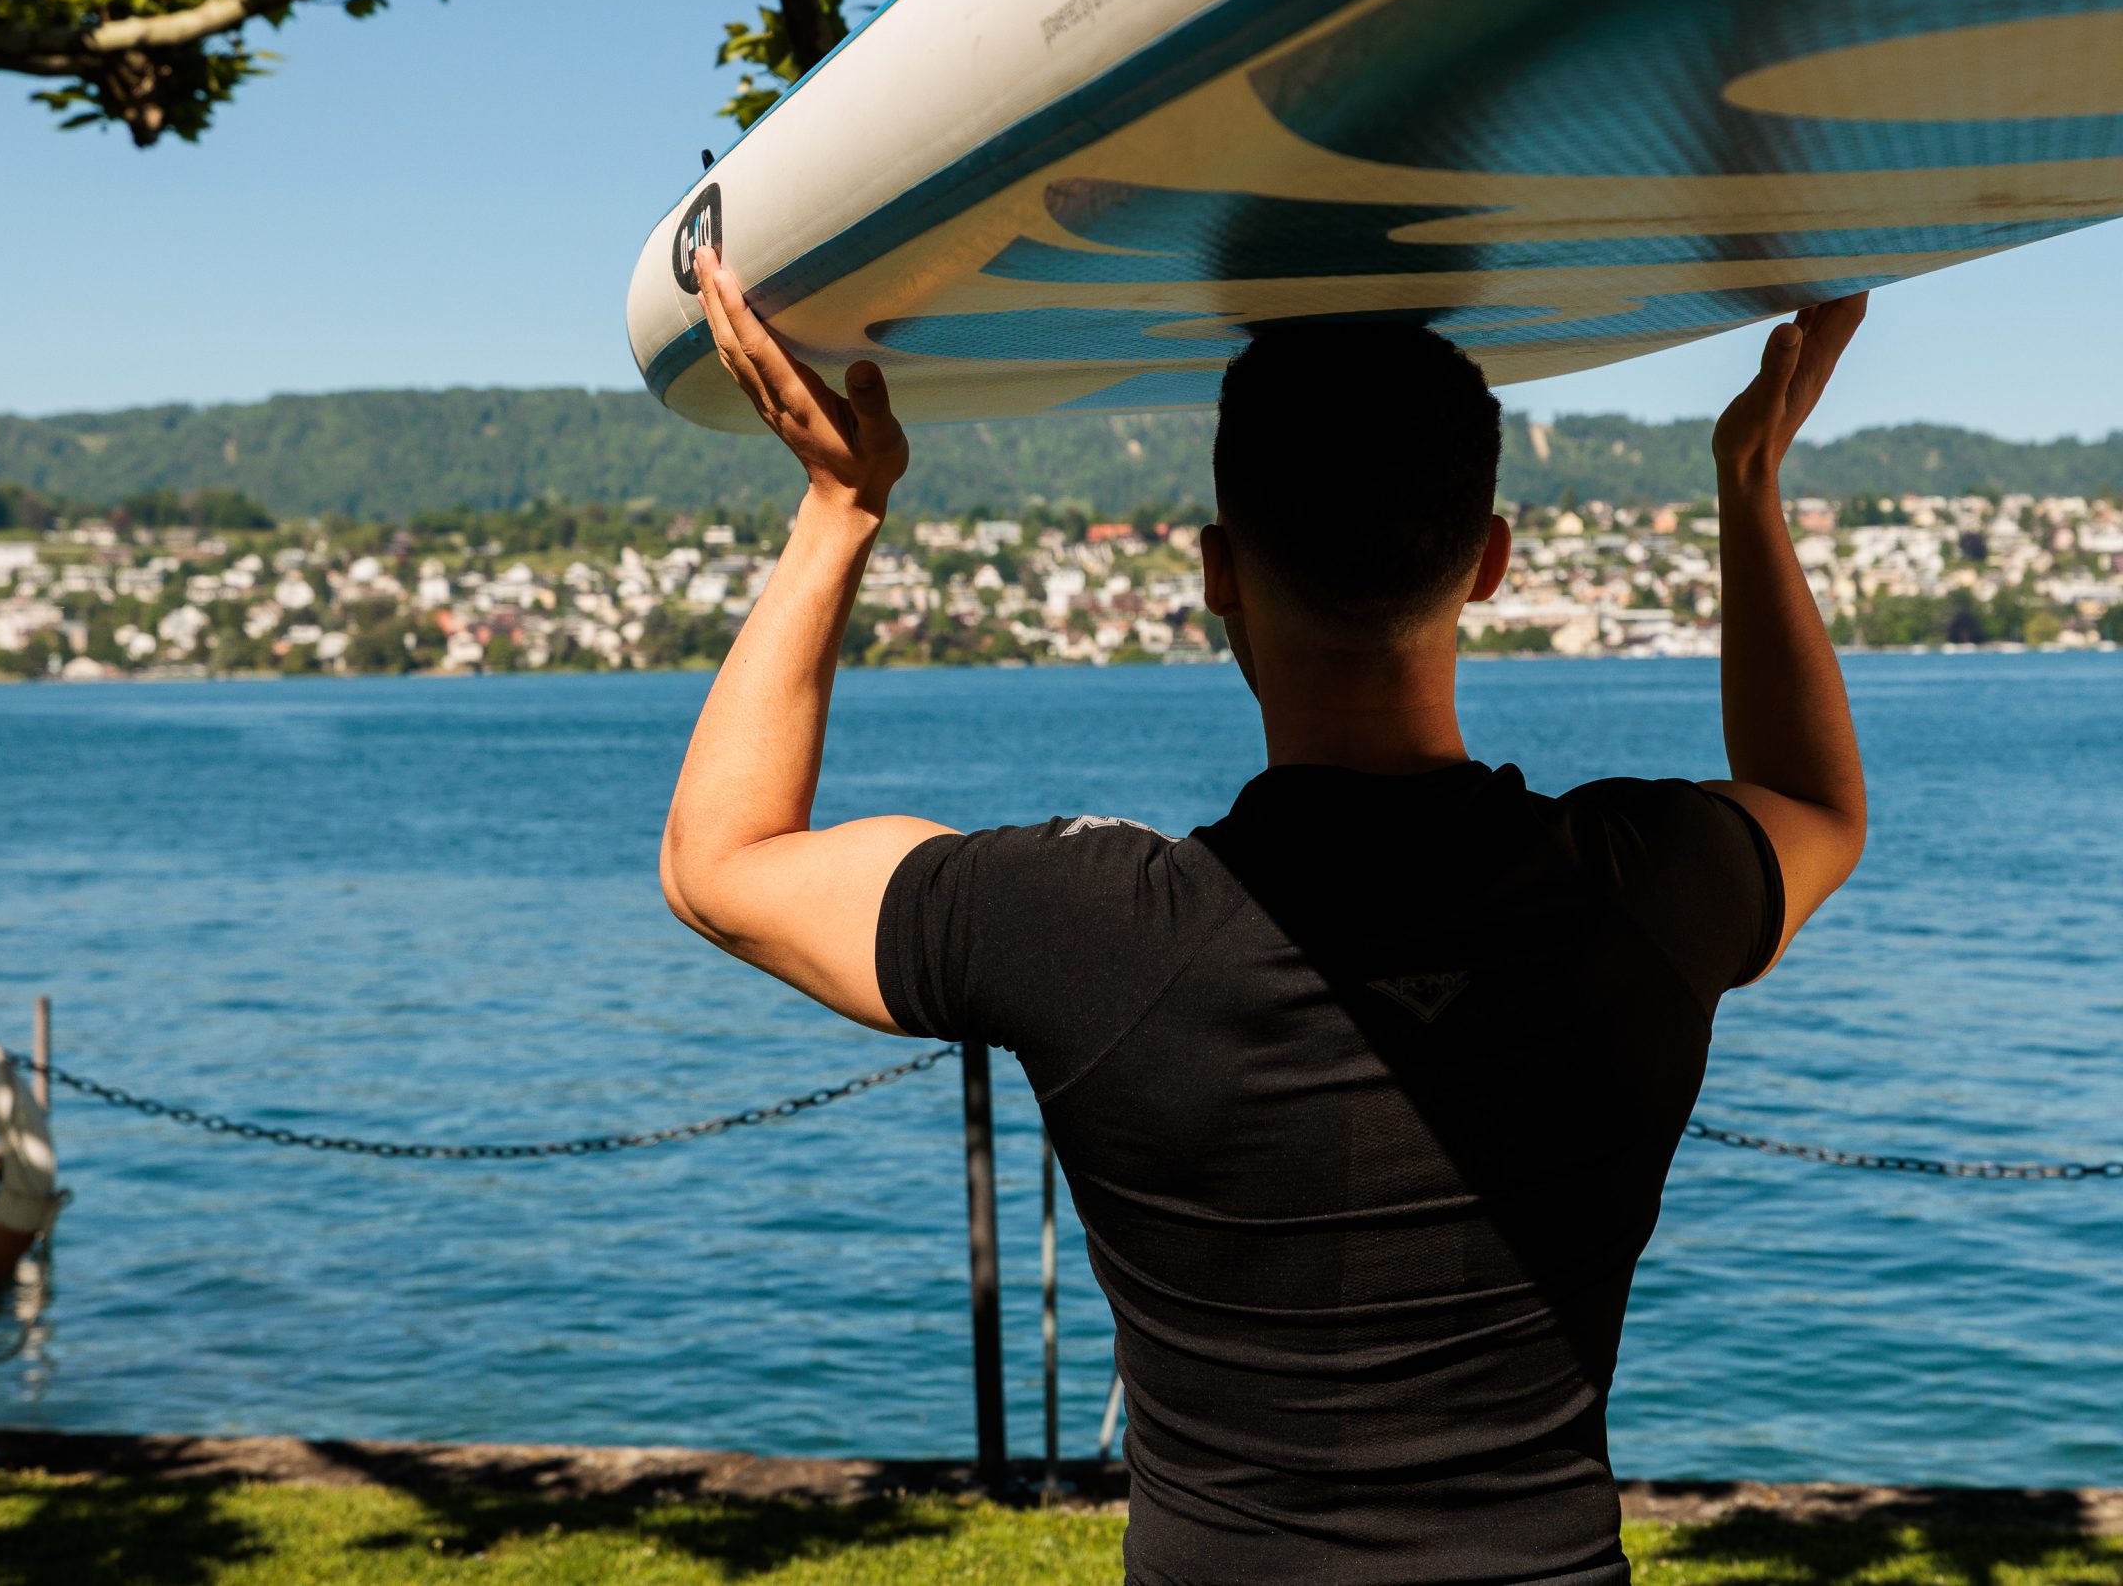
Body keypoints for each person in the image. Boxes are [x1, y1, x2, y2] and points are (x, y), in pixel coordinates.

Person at [659, 245, 1867, 1586]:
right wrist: (1747, 484)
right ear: (1492, 563)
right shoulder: (1645, 894)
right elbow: (1816, 801)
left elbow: (723, 861)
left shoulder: (1087, 933)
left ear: (1219, 570)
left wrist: (840, 506)